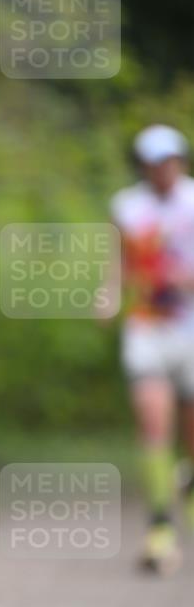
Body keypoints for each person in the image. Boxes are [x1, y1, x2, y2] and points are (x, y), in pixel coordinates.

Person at [108, 124, 194, 574]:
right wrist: (107, 294)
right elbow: (120, 261)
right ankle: (160, 527)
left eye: (169, 160)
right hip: (147, 330)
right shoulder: (127, 206)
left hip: (190, 331)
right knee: (154, 427)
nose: (162, 169)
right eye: (154, 162)